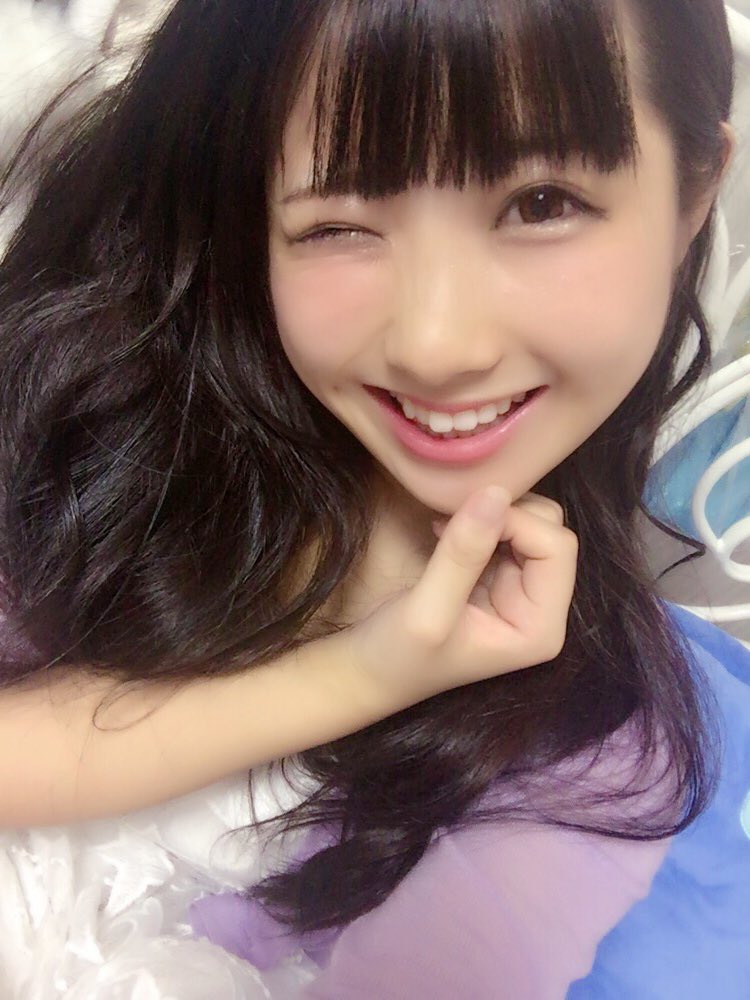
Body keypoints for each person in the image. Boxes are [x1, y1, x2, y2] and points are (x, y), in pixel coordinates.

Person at [0, 0, 748, 995]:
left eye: (542, 203)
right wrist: (364, 673)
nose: (435, 344)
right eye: (338, 224)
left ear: (694, 193)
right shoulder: (96, 427)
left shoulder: (603, 746)